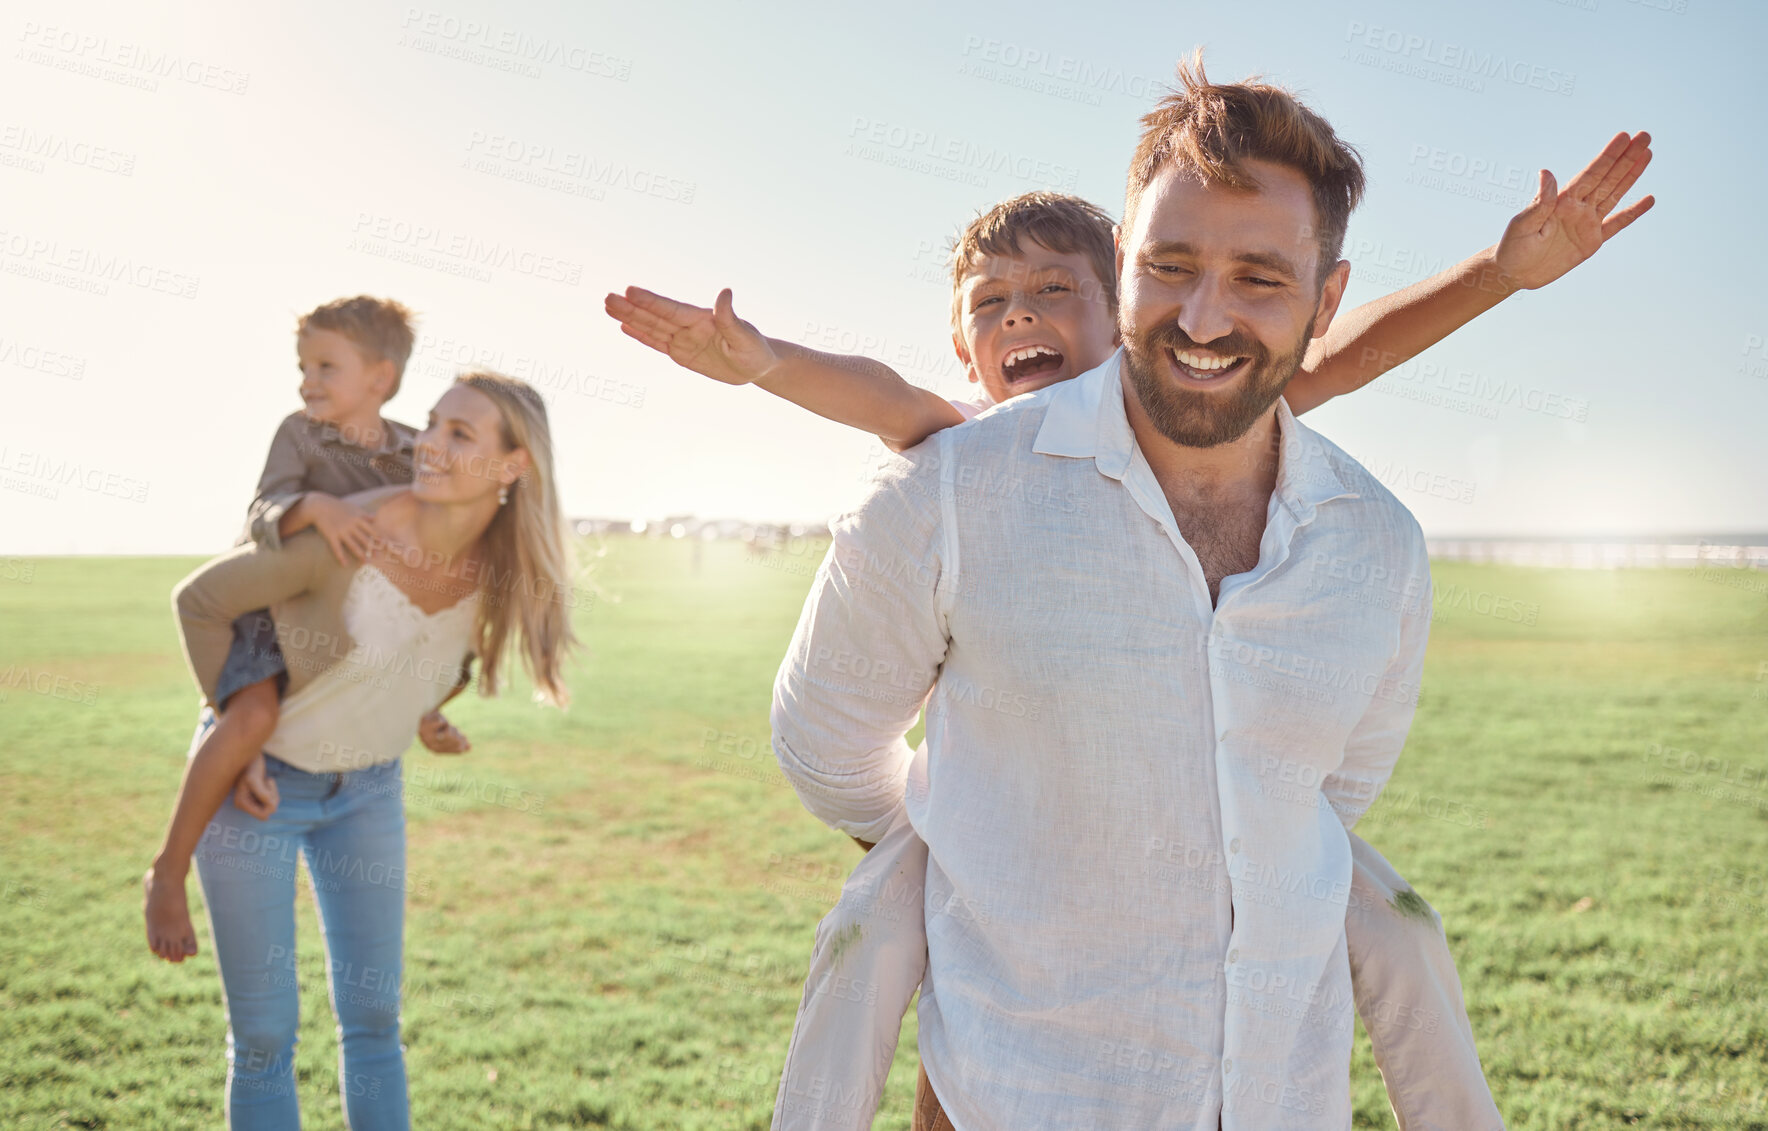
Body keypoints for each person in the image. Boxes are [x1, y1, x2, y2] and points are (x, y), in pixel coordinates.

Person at [607, 107, 1652, 1131]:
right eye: (993, 302)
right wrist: (977, 841)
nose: (1022, 318)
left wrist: (1498, 275)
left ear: (1106, 302)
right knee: (878, 945)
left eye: (1055, 292)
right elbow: (829, 730)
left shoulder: (1333, 500)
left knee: (1397, 936)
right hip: (1009, 1073)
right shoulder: (957, 463)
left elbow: (1343, 358)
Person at [162, 372, 577, 1129]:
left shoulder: (501, 570)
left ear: (513, 466)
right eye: (431, 423)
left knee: (375, 1023)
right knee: (263, 1036)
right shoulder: (348, 535)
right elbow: (198, 601)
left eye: (461, 433)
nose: (429, 444)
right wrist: (234, 722)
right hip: (256, 789)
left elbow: (436, 655)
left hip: (369, 795)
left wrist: (420, 714)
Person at [143, 295, 473, 965]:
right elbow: (263, 509)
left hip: (353, 627)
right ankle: (169, 870)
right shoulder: (299, 433)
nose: (308, 381)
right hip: (270, 618)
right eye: (303, 366)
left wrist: (427, 707)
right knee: (251, 719)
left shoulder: (413, 448)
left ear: (380, 377)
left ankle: (425, 717)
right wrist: (316, 505)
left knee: (423, 663)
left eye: (325, 366)